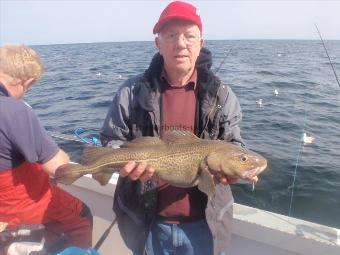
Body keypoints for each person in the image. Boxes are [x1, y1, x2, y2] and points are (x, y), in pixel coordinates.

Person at [100, 1, 259, 255]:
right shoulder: (130, 92)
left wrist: (235, 170)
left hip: (206, 226)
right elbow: (111, 139)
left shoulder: (223, 95)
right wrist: (126, 163)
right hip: (148, 224)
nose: (181, 43)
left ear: (200, 43)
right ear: (158, 43)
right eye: (171, 35)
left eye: (189, 36)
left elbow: (233, 145)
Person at [0, 44, 93, 253]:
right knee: (82, 214)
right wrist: (62, 155)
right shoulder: (14, 110)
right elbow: (59, 168)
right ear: (27, 82)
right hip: (17, 209)